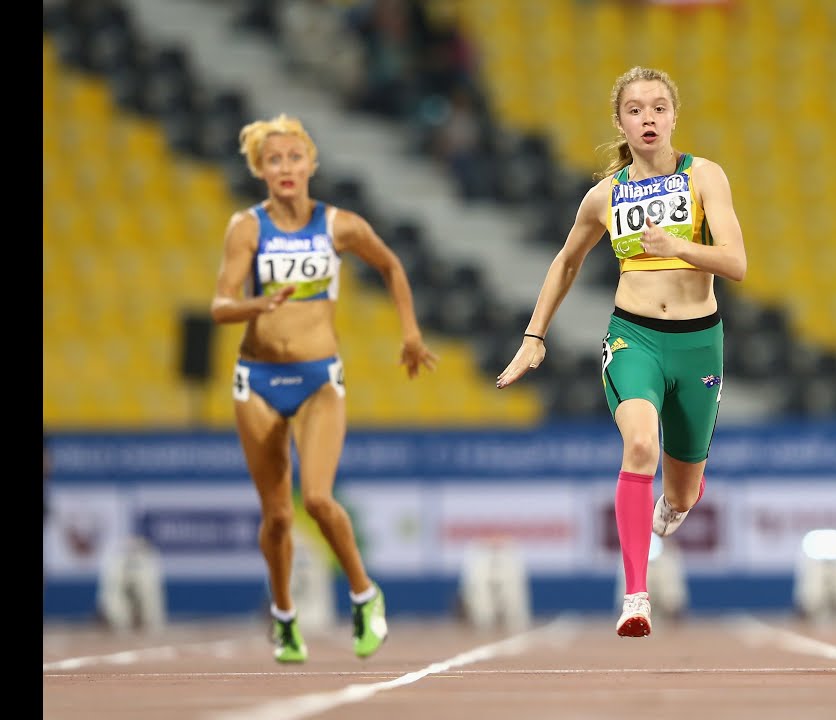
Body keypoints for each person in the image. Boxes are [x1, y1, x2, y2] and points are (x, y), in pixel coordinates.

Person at [495, 66, 747, 638]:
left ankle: (677, 503)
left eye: (659, 107)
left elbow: (737, 263)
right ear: (620, 122)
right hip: (633, 337)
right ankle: (636, 596)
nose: (648, 118)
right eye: (635, 110)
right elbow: (566, 261)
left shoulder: (705, 176)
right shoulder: (605, 195)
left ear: (674, 115)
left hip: (698, 343)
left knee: (682, 489)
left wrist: (676, 246)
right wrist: (534, 338)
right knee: (639, 445)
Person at [210, 113, 439, 663]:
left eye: (294, 158)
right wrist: (254, 305)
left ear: (311, 164)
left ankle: (364, 593)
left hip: (319, 379)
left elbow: (390, 265)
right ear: (260, 171)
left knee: (315, 498)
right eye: (273, 161)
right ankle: (284, 616)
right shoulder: (247, 227)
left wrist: (410, 332)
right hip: (258, 381)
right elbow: (220, 305)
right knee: (278, 516)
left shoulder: (339, 225)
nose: (285, 168)